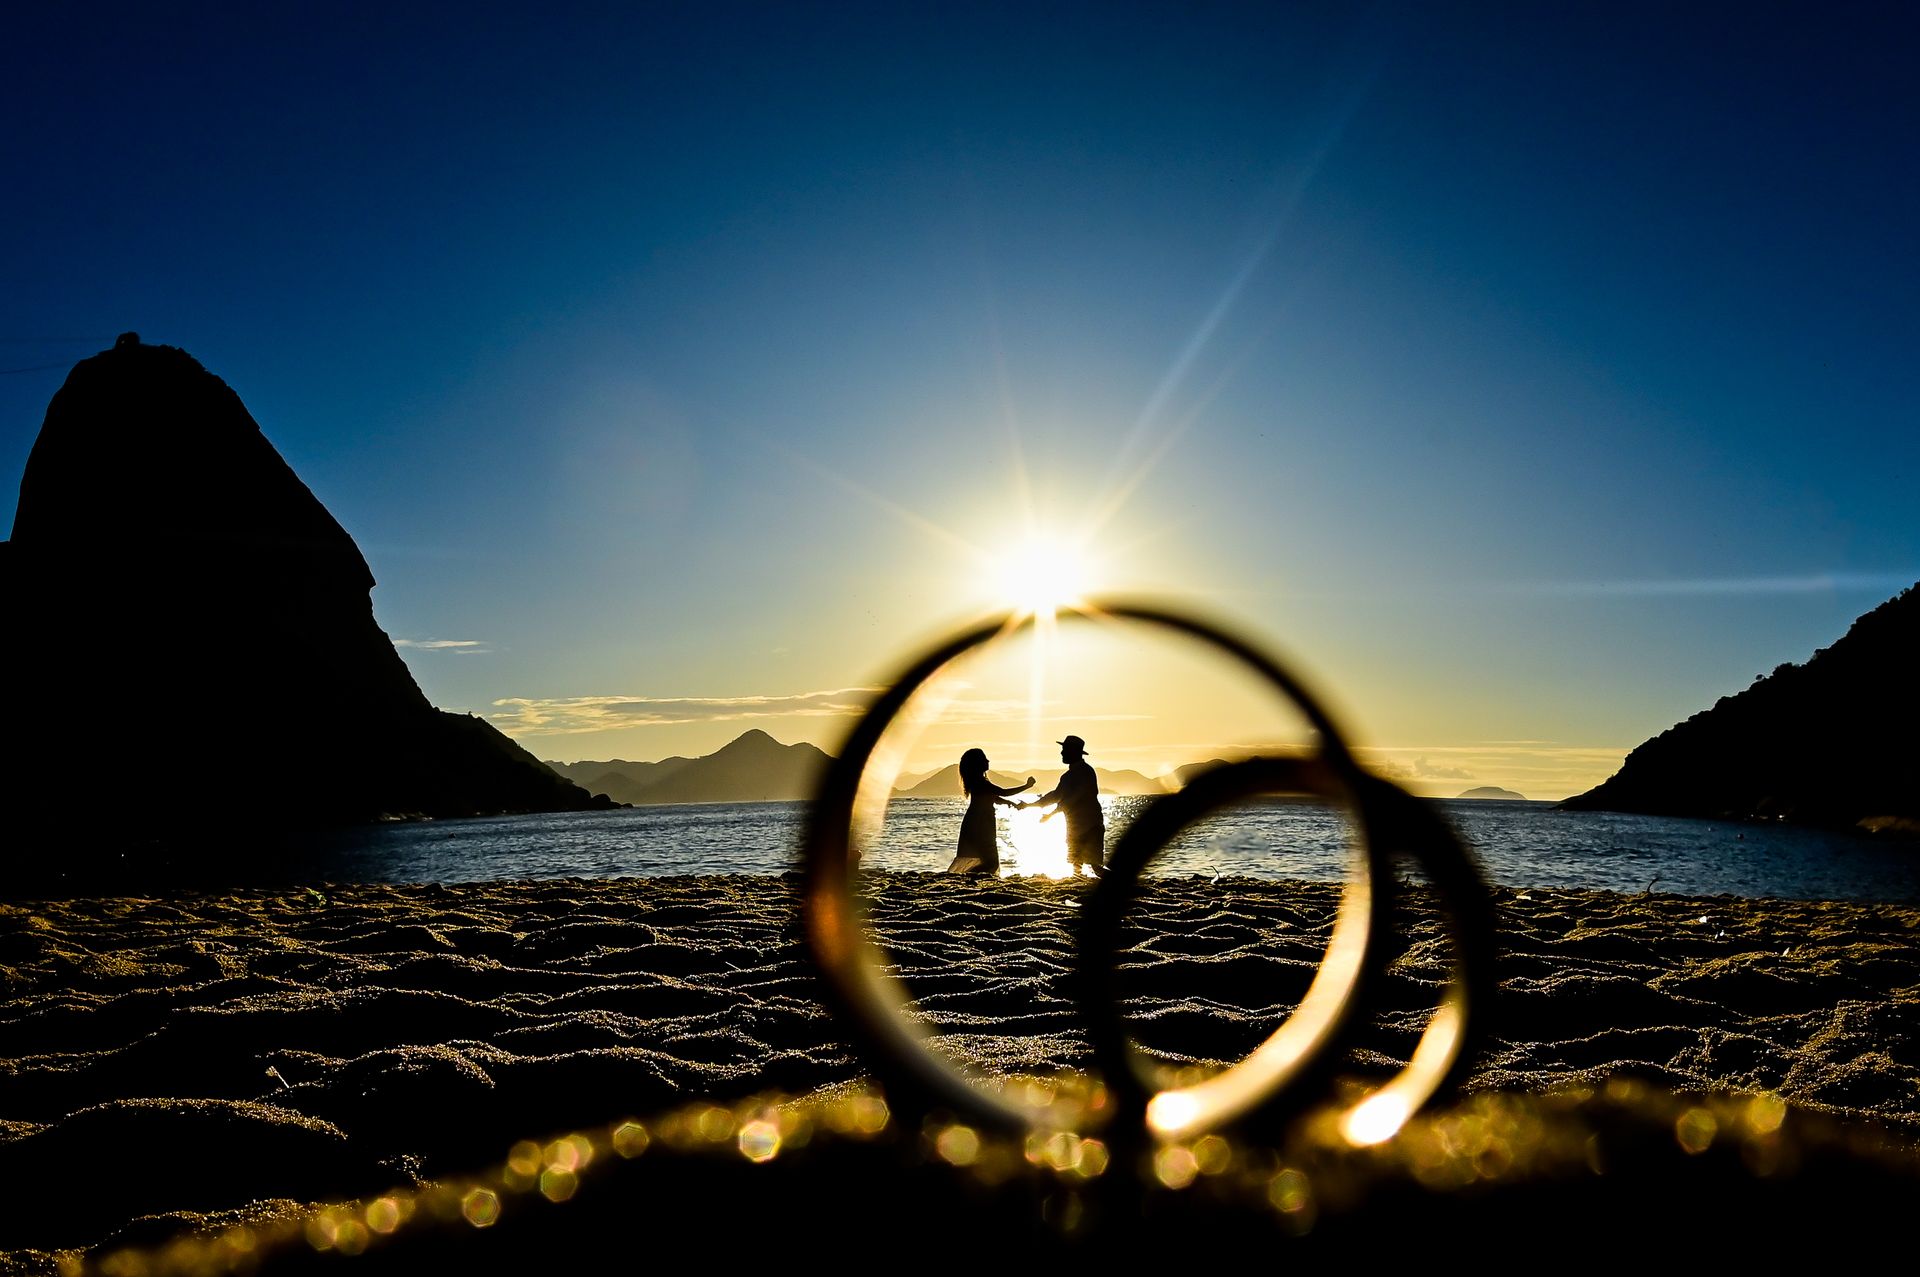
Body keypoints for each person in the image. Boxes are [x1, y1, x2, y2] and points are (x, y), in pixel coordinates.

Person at [948, 747, 1034, 874]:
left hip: (980, 822)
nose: (988, 760)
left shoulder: (979, 782)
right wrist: (1027, 786)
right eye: (984, 759)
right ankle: (968, 876)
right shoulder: (980, 782)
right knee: (991, 863)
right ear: (977, 764)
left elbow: (993, 797)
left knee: (988, 861)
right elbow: (1003, 792)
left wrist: (1009, 803)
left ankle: (969, 877)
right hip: (980, 824)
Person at [1029, 735, 1105, 876]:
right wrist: (1029, 805)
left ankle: (1123, 883)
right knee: (1078, 867)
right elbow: (1056, 795)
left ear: (1073, 751)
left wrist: (1050, 814)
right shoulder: (1072, 774)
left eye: (1064, 749)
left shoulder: (1083, 772)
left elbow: (1071, 800)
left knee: (1094, 867)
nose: (1061, 753)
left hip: (1089, 826)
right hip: (1079, 827)